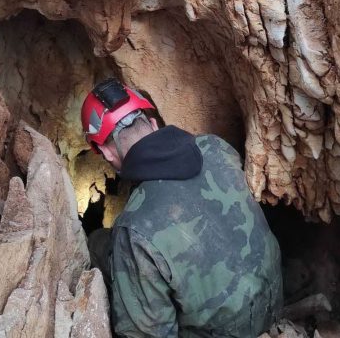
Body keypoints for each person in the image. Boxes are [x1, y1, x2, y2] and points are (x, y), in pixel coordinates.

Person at [81, 78, 283, 337]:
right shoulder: (215, 146)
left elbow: (146, 334)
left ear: (106, 153)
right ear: (152, 123)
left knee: (98, 245)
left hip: (227, 332)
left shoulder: (135, 229)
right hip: (273, 299)